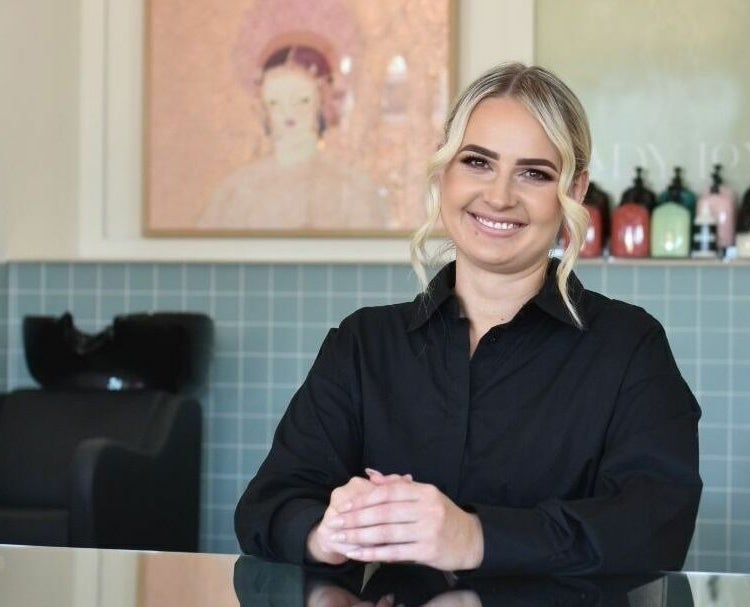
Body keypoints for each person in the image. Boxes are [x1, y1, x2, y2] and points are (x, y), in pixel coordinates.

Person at [234, 62, 702, 575]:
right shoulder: (363, 344)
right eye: (478, 162)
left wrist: (476, 537)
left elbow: (656, 527)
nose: (499, 196)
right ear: (444, 172)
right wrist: (329, 531)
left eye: (534, 173)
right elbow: (267, 507)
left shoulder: (628, 347)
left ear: (575, 191)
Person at [198, 42, 391, 232]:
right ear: (262, 110)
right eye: (275, 102)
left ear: (321, 104)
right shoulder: (236, 190)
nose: (289, 113)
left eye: (302, 100)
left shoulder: (353, 187)